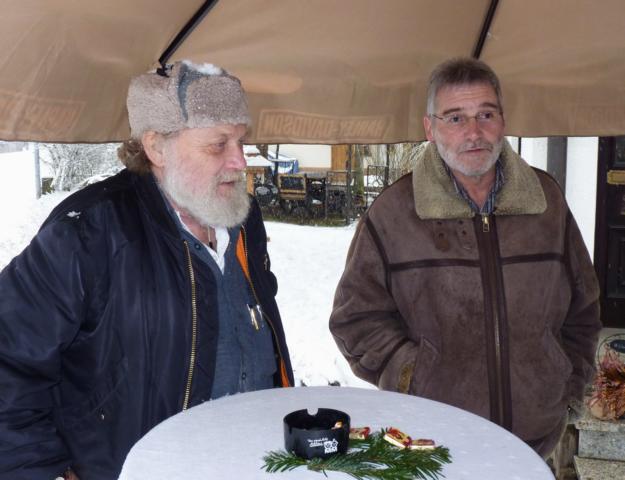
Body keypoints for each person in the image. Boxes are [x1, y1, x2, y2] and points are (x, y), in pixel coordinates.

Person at [0, 61, 293, 480]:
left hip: (254, 462)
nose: (239, 161)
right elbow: (10, 364)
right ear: (156, 147)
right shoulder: (89, 231)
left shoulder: (242, 219)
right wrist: (44, 471)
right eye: (219, 145)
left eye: (242, 141)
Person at [329, 57, 601, 458]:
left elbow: (584, 307)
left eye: (485, 114)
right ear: (430, 128)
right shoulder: (393, 213)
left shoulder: (546, 202)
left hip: (535, 441)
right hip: (433, 441)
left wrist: (567, 382)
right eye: (455, 118)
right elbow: (355, 319)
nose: (474, 132)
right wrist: (411, 373)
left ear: (503, 120)